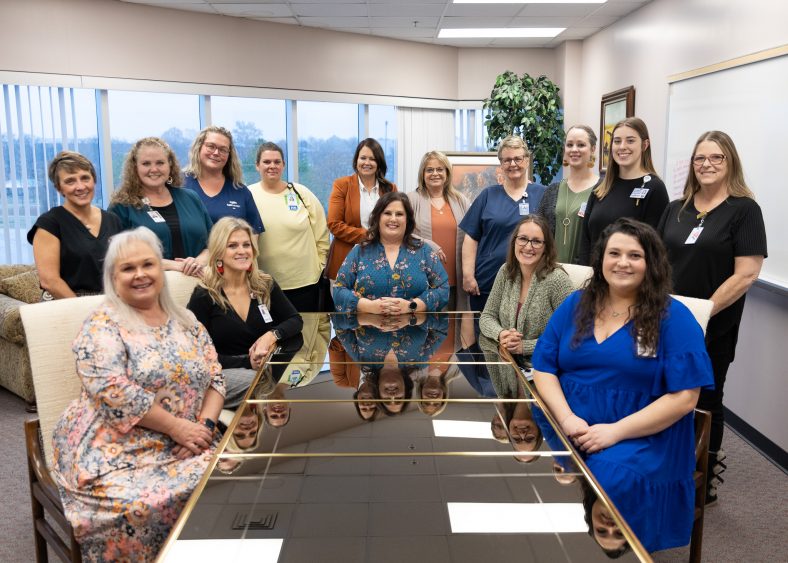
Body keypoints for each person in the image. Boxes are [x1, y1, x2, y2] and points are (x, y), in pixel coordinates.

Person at [532, 218, 714, 553]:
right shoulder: (575, 304)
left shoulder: (673, 317)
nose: (623, 262)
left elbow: (686, 398)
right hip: (567, 421)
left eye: (635, 255)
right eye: (614, 253)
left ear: (651, 263)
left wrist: (614, 432)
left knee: (609, 478)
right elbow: (543, 367)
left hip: (644, 434)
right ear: (601, 259)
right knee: (512, 470)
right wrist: (568, 418)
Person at [51, 227, 225, 561]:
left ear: (162, 270)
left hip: (190, 441)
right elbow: (112, 389)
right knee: (142, 507)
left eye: (148, 264)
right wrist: (177, 427)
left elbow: (215, 377)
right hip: (114, 451)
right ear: (112, 277)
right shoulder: (103, 324)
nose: (140, 274)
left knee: (236, 475)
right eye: (128, 268)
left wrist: (202, 427)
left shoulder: (186, 320)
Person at [658, 131, 767, 504]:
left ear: (730, 162)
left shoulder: (744, 210)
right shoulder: (676, 208)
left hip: (712, 325)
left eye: (716, 158)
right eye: (700, 158)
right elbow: (655, 260)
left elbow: (746, 274)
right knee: (660, 391)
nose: (706, 164)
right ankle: (664, 465)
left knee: (706, 398)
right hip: (664, 321)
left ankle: (702, 479)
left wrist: (701, 313)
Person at [187, 217, 304, 409]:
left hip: (263, 376)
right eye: (232, 245)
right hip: (225, 376)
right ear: (219, 253)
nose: (242, 251)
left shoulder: (264, 284)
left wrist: (271, 335)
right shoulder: (204, 295)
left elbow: (294, 320)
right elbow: (196, 352)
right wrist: (246, 361)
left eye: (246, 245)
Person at [460, 135, 546, 311]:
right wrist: (468, 275)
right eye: (507, 160)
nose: (512, 164)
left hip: (531, 285)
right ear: (501, 164)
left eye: (517, 159)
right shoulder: (488, 195)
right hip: (487, 282)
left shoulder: (543, 194)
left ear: (527, 160)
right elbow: (471, 237)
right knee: (486, 334)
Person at [109, 137, 212, 278]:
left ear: (170, 165)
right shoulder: (122, 206)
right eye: (146, 163)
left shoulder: (191, 198)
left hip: (198, 284)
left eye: (160, 163)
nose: (154, 169)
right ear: (135, 168)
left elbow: (213, 244)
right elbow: (119, 256)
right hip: (148, 287)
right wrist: (176, 265)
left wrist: (196, 263)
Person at [333, 192, 449, 313]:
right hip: (367, 328)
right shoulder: (360, 251)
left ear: (407, 220)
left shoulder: (423, 250)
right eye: (387, 213)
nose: (393, 219)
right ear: (378, 218)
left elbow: (443, 288)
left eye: (399, 214)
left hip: (414, 328)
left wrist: (412, 306)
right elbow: (338, 290)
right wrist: (369, 307)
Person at [27, 151, 122, 299]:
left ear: (94, 181)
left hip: (109, 301)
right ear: (59, 188)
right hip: (66, 303)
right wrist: (84, 310)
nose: (80, 186)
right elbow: (49, 281)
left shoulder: (112, 219)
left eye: (85, 178)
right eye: (70, 181)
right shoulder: (49, 224)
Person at [248, 142, 329, 312]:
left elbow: (321, 232)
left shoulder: (301, 193)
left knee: (306, 333)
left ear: (283, 165)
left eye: (277, 162)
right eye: (267, 162)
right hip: (265, 285)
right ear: (257, 166)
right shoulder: (248, 195)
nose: (272, 166)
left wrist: (320, 265)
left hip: (305, 283)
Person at [479, 215, 574, 358]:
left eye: (536, 241)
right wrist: (501, 334)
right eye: (523, 239)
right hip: (507, 362)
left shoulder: (557, 280)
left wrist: (525, 347)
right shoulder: (506, 271)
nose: (528, 247)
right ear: (514, 241)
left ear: (546, 247)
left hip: (545, 365)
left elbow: (573, 331)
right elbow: (487, 316)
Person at [577, 117, 669, 265]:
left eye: (630, 141)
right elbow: (585, 241)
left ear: (644, 145)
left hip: (629, 280)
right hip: (594, 279)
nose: (622, 147)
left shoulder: (654, 188)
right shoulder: (601, 188)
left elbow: (654, 247)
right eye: (617, 141)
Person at [326, 138, 397, 281]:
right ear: (356, 160)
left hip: (381, 257)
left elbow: (396, 221)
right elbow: (334, 224)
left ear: (379, 163)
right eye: (363, 158)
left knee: (377, 302)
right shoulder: (342, 185)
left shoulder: (390, 188)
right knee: (346, 302)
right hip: (346, 258)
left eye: (372, 159)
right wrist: (368, 235)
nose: (367, 163)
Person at [407, 150, 471, 310]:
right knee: (428, 328)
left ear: (447, 173)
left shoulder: (460, 200)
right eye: (429, 170)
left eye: (440, 169)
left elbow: (473, 233)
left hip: (456, 279)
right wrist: (425, 243)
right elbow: (400, 234)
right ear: (422, 173)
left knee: (454, 328)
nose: (435, 173)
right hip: (424, 280)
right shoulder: (411, 199)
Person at [537, 125, 601, 264]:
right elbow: (538, 230)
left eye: (581, 145)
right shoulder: (552, 191)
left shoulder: (603, 190)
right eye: (570, 144)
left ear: (593, 149)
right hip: (551, 273)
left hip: (586, 273)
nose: (574, 150)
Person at [183, 126, 264, 232]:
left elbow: (254, 234)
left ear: (229, 155)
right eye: (211, 146)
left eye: (223, 149)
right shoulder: (180, 184)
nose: (216, 153)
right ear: (199, 147)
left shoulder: (240, 191)